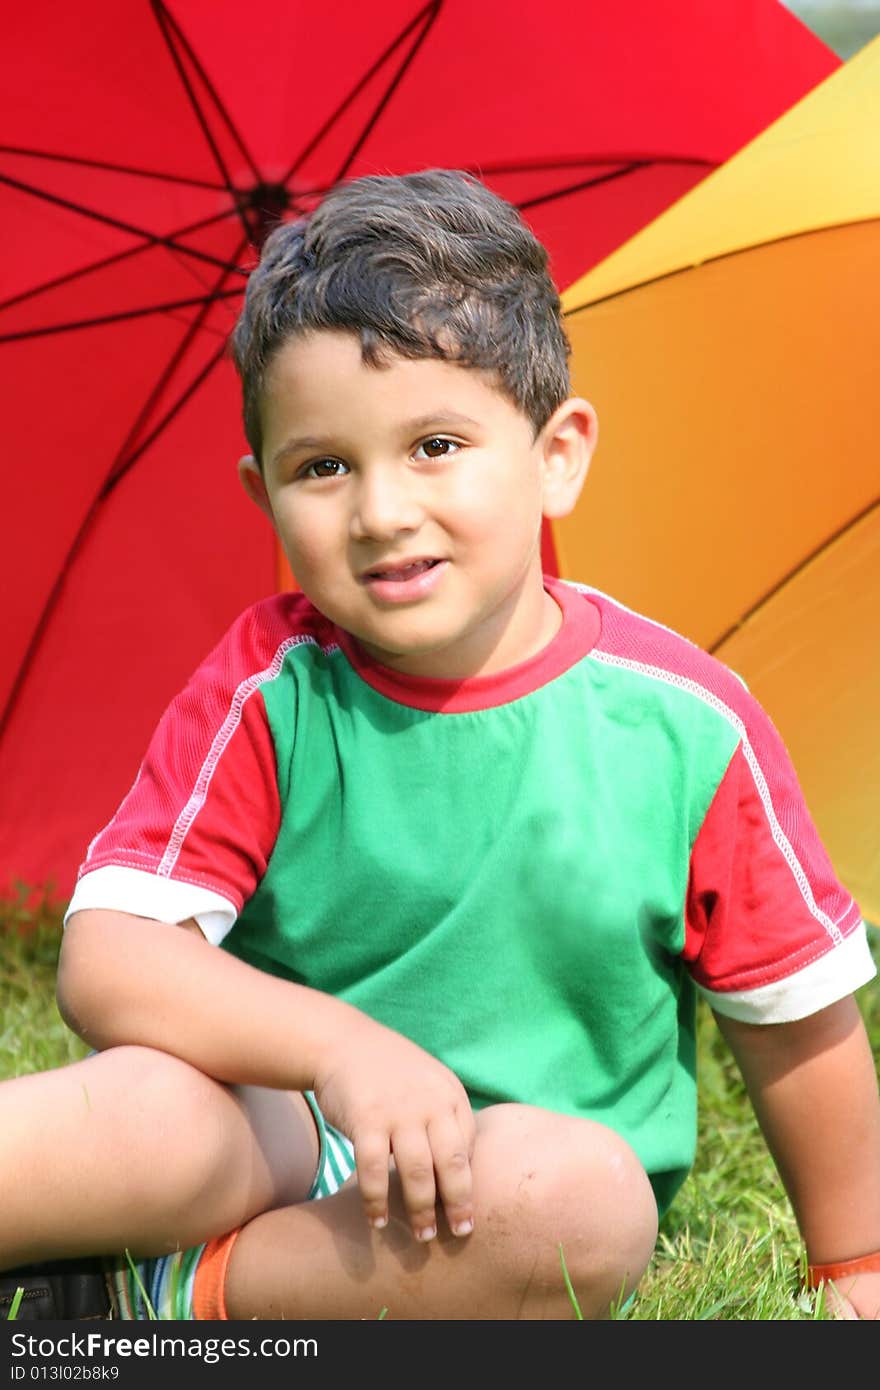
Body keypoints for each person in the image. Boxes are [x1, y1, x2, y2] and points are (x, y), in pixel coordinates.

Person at [1, 169, 879, 1323]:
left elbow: (796, 1016)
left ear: (556, 452)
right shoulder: (272, 690)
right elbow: (111, 960)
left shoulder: (685, 724)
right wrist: (338, 1047)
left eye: (435, 445)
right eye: (323, 466)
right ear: (262, 494)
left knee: (583, 1202)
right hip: (284, 1126)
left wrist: (853, 1263)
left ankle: (179, 1293)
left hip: (492, 1193)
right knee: (154, 1111)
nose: (379, 510)